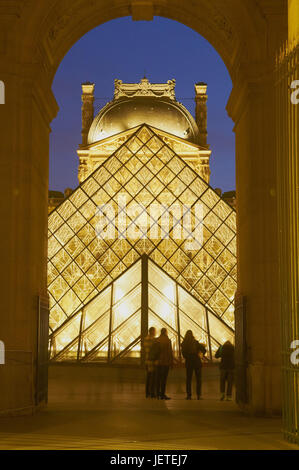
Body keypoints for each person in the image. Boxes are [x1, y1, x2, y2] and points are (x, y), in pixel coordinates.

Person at [181, 330, 206, 400]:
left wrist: (188, 357)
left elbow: (184, 355)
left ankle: (189, 395)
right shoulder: (196, 342)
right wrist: (200, 355)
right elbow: (204, 349)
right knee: (198, 379)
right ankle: (199, 395)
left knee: (188, 379)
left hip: (189, 363)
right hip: (197, 362)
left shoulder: (184, 343)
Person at [156, 328, 173, 400]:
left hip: (158, 362)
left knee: (158, 378)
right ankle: (162, 394)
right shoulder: (168, 340)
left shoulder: (157, 340)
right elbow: (170, 352)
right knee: (164, 379)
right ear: (165, 332)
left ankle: (157, 394)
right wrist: (171, 362)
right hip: (165, 362)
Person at [144, 327, 158, 398]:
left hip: (147, 360)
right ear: (152, 331)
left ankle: (147, 393)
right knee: (153, 377)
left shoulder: (146, 339)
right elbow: (155, 350)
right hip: (152, 360)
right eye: (155, 331)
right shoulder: (153, 340)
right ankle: (152, 393)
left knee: (149, 377)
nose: (155, 332)